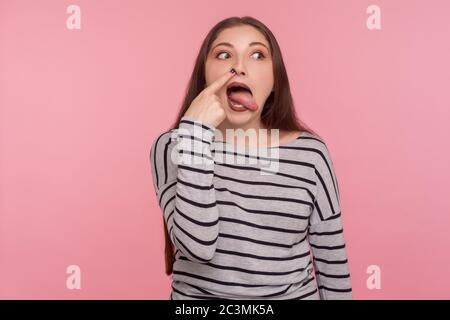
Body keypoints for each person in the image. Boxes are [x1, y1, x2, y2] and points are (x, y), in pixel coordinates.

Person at [150, 16, 352, 300]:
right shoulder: (172, 147)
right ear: (204, 74)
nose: (239, 67)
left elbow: (333, 263)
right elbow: (199, 246)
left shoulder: (311, 153)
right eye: (224, 54)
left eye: (257, 55)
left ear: (274, 80)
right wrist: (194, 136)